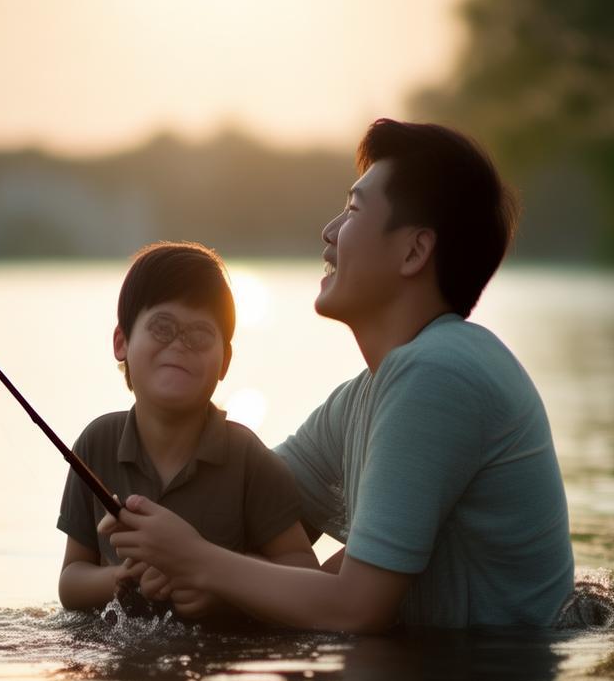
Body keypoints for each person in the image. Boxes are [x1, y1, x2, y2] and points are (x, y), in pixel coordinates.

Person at [99, 119, 574, 633]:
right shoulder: (364, 397)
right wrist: (147, 545)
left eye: (351, 211)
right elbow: (241, 513)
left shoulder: (439, 374)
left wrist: (195, 560)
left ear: (414, 251)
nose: (328, 232)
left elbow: (354, 609)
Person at [58, 241, 316, 616]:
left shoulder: (247, 459)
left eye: (198, 336)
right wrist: (120, 578)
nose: (179, 345)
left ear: (225, 361)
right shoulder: (96, 444)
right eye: (162, 328)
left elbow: (304, 571)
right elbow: (71, 579)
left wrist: (219, 586)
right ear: (121, 342)